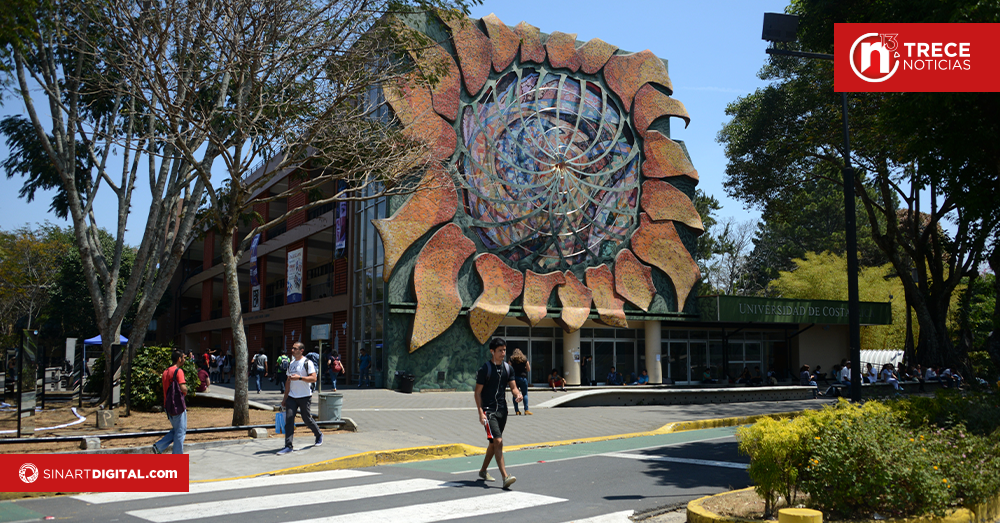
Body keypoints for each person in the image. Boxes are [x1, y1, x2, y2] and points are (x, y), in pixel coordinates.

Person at [475, 338, 522, 490]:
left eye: (504, 350)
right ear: (492, 352)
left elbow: (513, 387)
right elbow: (477, 393)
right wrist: (480, 412)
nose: (503, 353)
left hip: (503, 411)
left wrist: (517, 394)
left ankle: (483, 471)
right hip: (489, 412)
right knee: (499, 441)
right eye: (500, 350)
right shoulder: (485, 369)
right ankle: (505, 477)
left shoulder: (508, 369)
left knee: (493, 443)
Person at [278, 342, 324, 455]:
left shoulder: (308, 363)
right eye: (292, 348)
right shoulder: (291, 363)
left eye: (295, 348)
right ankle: (288, 446)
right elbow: (288, 381)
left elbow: (314, 378)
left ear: (301, 350)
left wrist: (300, 378)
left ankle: (318, 434)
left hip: (304, 396)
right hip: (292, 397)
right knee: (289, 420)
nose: (292, 350)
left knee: (306, 418)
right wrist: (285, 398)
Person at [153, 350, 188, 454]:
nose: (184, 360)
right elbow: (183, 388)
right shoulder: (178, 371)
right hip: (178, 406)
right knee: (180, 432)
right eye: (184, 357)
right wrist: (186, 391)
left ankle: (159, 447)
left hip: (168, 406)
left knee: (177, 430)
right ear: (179, 359)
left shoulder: (165, 372)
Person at [509, 348, 531, 415]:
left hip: (514, 378)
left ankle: (517, 410)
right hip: (523, 378)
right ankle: (526, 410)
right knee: (524, 394)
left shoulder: (512, 359)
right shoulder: (524, 360)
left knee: (515, 394)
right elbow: (528, 369)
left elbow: (508, 367)